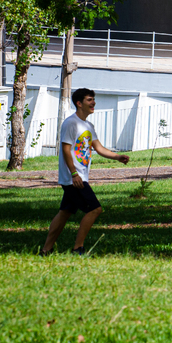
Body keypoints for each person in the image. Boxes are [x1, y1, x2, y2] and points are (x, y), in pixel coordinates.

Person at [40, 88, 129, 256]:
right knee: (95, 209)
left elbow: (99, 148)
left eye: (93, 99)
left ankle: (46, 250)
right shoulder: (70, 123)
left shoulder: (88, 125)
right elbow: (65, 150)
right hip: (74, 178)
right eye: (89, 99)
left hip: (79, 177)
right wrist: (74, 174)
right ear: (79, 103)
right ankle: (77, 248)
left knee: (65, 212)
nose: (93, 102)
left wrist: (117, 157)